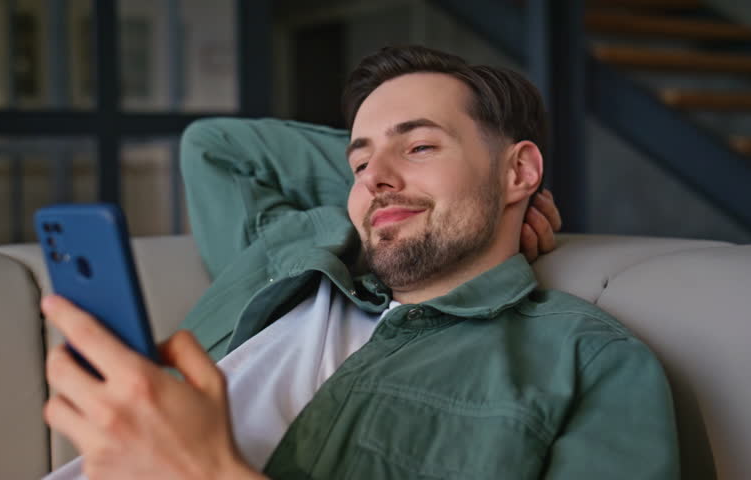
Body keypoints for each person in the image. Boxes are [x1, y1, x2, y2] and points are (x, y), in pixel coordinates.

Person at [41, 45, 678, 479]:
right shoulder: (301, 248)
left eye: (421, 144)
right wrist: (416, 179)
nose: (375, 180)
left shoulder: (588, 363)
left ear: (521, 167)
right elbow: (215, 147)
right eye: (359, 162)